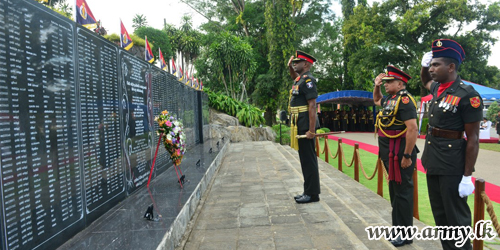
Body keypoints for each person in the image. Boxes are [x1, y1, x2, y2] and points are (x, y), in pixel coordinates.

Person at [420, 39, 482, 250]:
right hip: (433, 160)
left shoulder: (468, 94)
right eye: (431, 64)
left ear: (451, 67)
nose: (431, 68)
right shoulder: (438, 88)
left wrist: (467, 176)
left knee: (456, 219)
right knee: (441, 217)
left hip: (452, 164)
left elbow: (473, 138)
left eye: (436, 64)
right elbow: (425, 81)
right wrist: (422, 66)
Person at [373, 65, 418, 247]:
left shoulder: (405, 101)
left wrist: (407, 155)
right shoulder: (390, 99)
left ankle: (405, 234)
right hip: (389, 152)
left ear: (400, 84)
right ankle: (398, 229)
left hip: (400, 152)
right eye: (384, 82)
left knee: (403, 192)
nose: (385, 84)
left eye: (388, 82)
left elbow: (412, 128)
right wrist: (376, 85)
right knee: (395, 192)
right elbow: (377, 100)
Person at [288, 50, 320, 204]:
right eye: (294, 62)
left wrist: (312, 130)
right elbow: (294, 79)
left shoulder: (309, 81)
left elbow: (312, 105)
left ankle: (312, 194)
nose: (294, 64)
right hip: (299, 123)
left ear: (306, 64)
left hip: (306, 124)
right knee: (304, 159)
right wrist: (290, 67)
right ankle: (308, 191)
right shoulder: (300, 80)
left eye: (297, 62)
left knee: (309, 160)